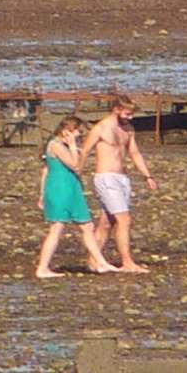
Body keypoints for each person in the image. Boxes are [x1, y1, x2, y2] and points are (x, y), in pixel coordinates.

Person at [81, 96, 157, 273]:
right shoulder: (100, 128)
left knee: (107, 222)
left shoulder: (128, 129)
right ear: (116, 109)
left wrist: (147, 176)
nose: (130, 117)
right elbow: (85, 151)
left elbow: (135, 153)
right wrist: (77, 172)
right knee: (124, 220)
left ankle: (94, 260)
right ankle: (127, 262)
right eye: (127, 113)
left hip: (122, 178)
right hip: (106, 177)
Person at [34, 116, 116, 278]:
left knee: (87, 226)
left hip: (71, 189)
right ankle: (42, 268)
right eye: (78, 131)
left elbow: (45, 171)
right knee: (57, 227)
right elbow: (75, 165)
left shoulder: (59, 145)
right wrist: (73, 146)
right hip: (60, 189)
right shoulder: (55, 145)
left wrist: (42, 195)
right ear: (67, 131)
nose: (79, 135)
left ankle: (100, 262)